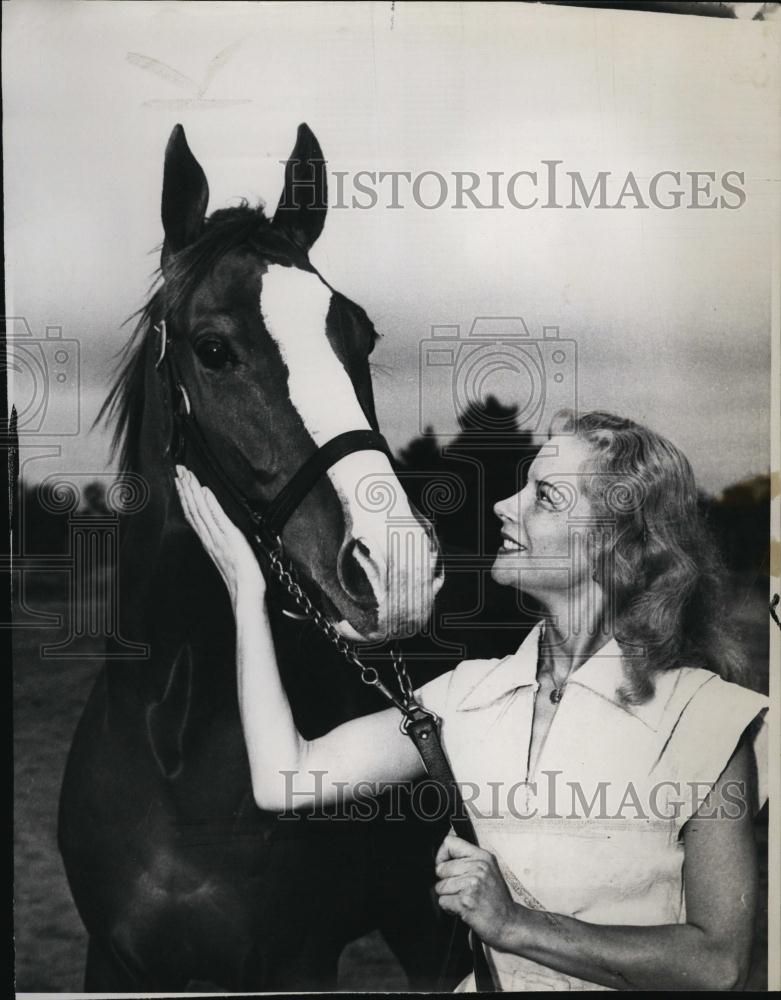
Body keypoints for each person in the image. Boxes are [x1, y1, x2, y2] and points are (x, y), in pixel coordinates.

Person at [174, 409, 768, 991]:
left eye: (546, 496)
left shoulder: (706, 720)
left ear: (618, 542)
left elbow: (718, 964)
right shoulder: (468, 695)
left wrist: (515, 925)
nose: (504, 506)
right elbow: (285, 777)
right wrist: (246, 591)